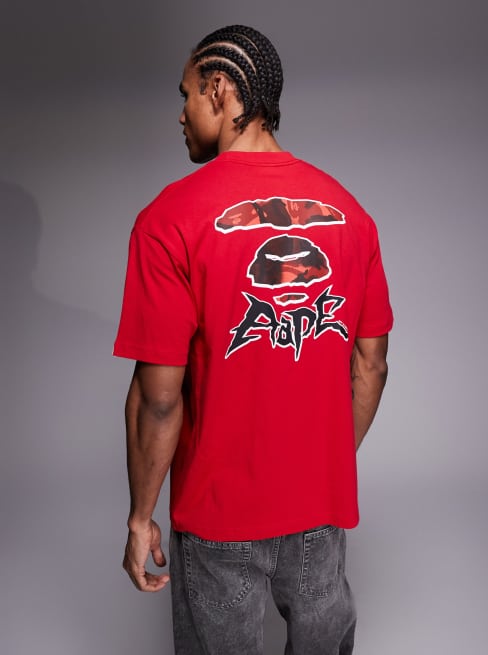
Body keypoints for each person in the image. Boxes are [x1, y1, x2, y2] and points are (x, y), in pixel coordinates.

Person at [113, 24, 393, 655]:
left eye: (185, 94)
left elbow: (158, 397)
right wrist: (322, 463)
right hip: (320, 510)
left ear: (219, 90)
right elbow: (371, 365)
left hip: (218, 515)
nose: (180, 114)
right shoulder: (352, 213)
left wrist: (139, 517)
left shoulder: (168, 219)